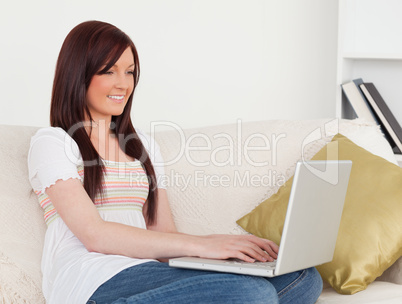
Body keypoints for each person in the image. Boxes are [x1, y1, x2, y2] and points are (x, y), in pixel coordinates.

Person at [27, 20, 322, 304]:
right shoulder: (54, 142)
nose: (123, 84)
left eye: (130, 72)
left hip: (150, 271)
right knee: (252, 294)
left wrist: (221, 252)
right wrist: (204, 244)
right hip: (93, 279)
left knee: (302, 278)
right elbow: (95, 235)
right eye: (109, 71)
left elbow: (161, 234)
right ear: (79, 74)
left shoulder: (142, 145)